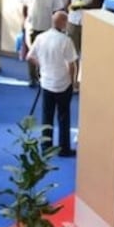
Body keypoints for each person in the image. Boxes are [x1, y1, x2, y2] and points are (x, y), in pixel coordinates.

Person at [27, 11, 78, 157]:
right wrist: (73, 81)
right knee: (63, 116)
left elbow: (29, 56)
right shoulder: (65, 40)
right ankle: (64, 148)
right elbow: (72, 64)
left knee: (46, 116)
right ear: (62, 23)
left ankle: (46, 147)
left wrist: (41, 65)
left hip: (46, 82)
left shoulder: (40, 38)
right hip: (63, 83)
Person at [22, 0, 66, 88]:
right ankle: (32, 78)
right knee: (32, 52)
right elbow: (25, 6)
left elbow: (58, 9)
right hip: (32, 26)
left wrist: (58, 26)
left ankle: (42, 77)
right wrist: (24, 21)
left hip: (46, 28)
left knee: (45, 54)